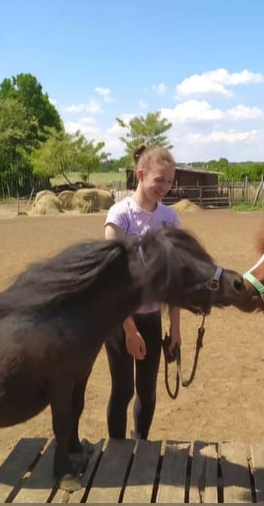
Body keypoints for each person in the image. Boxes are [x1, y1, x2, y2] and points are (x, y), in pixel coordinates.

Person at [103, 144, 181, 440]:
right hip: (120, 321)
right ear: (141, 174)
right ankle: (118, 452)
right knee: (122, 391)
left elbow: (174, 277)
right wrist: (129, 330)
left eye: (170, 181)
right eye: (159, 180)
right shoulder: (119, 216)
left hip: (152, 318)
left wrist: (175, 326)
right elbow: (113, 280)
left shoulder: (170, 219)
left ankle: (141, 446)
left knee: (147, 391)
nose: (165, 187)